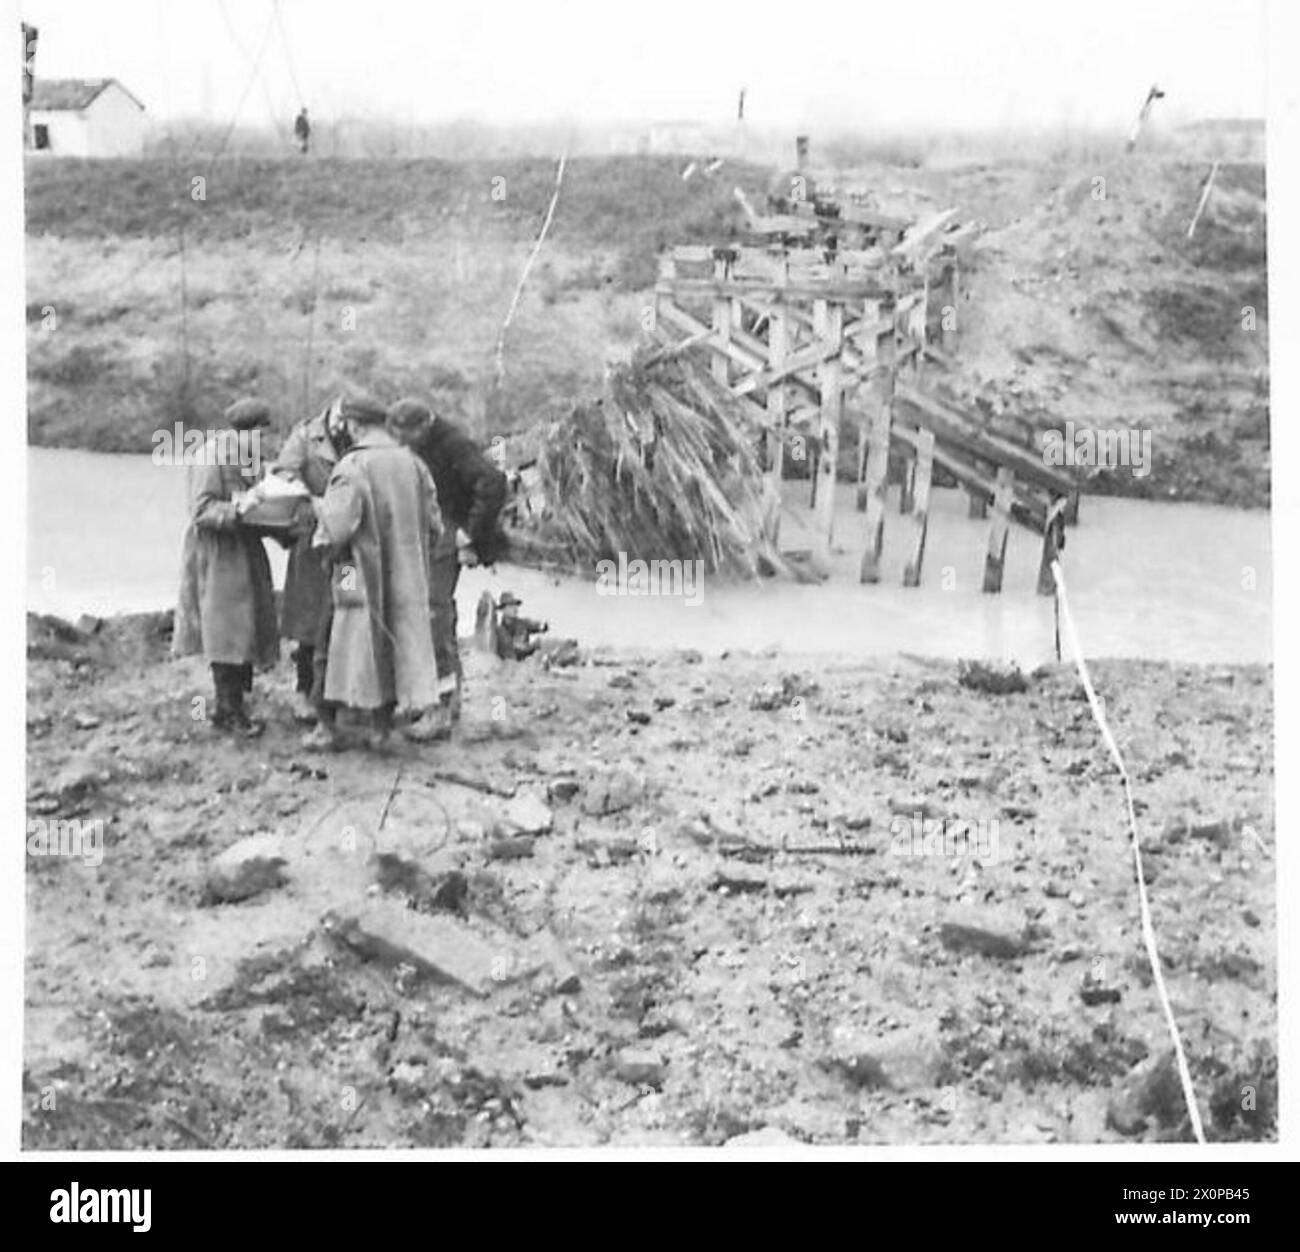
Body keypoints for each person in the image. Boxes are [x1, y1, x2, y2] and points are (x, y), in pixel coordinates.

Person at [302, 398, 443, 751]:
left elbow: (338, 529)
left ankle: (326, 725)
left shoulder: (352, 466)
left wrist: (317, 508)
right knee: (391, 642)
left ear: (353, 425)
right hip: (407, 574)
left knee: (331, 637)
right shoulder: (414, 464)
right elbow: (436, 525)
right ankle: (381, 728)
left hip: (352, 570)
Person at [386, 398, 507, 729]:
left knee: (434, 616)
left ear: (424, 426)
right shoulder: (425, 442)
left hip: (444, 534)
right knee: (419, 614)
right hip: (423, 533)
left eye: (406, 437)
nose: (401, 444)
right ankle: (430, 698)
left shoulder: (453, 444)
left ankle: (442, 706)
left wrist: (470, 533)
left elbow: (493, 482)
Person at [173, 398, 280, 736]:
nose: (266, 444)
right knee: (225, 630)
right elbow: (201, 509)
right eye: (262, 436)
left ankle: (235, 705)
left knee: (245, 626)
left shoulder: (247, 457)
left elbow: (258, 494)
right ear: (246, 431)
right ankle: (227, 711)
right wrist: (239, 510)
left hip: (243, 548)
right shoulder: (209, 456)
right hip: (217, 552)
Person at [270, 395, 354, 723]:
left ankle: (344, 691)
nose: (345, 428)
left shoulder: (367, 436)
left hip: (350, 549)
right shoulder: (305, 436)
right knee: (308, 618)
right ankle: (305, 689)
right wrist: (312, 502)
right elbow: (282, 476)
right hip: (312, 545)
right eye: (340, 421)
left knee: (350, 609)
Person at [493, 591, 548, 661]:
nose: (515, 608)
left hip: (526, 661)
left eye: (515, 605)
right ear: (503, 609)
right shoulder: (499, 631)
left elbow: (541, 626)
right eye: (511, 606)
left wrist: (542, 626)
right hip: (510, 663)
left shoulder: (524, 623)